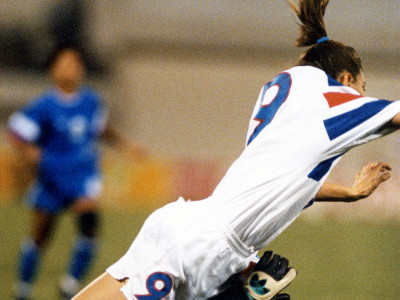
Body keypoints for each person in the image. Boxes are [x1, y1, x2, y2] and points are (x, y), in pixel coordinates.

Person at [73, 0, 400, 299]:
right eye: (362, 87)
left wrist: (349, 193)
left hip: (185, 224)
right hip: (208, 251)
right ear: (344, 78)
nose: (362, 96)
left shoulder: (288, 86)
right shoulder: (333, 103)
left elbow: (288, 183)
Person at [7, 46, 145, 300]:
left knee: (89, 225)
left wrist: (126, 145)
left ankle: (70, 286)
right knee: (40, 236)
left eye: (74, 64)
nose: (70, 68)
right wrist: (30, 152)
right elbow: (16, 131)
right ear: (53, 70)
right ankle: (23, 289)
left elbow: (102, 129)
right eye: (64, 64)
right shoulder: (45, 105)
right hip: (52, 177)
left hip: (82, 175)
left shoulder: (90, 101)